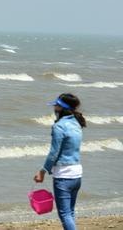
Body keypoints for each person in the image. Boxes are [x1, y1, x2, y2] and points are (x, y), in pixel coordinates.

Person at [33, 93, 85, 230]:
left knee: (65, 214)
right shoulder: (76, 124)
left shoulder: (59, 126)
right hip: (77, 174)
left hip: (64, 176)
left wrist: (42, 171)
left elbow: (54, 153)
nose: (54, 107)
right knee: (70, 212)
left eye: (56, 105)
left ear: (61, 108)